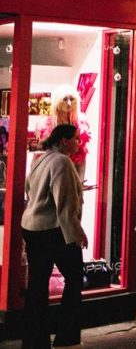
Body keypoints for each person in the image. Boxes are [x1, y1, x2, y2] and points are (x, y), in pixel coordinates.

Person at [21, 123, 86, 349]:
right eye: (75, 138)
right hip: (53, 230)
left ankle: (34, 339)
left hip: (32, 226)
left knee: (37, 284)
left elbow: (31, 190)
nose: (79, 142)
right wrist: (77, 234)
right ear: (63, 141)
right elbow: (64, 205)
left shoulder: (41, 159)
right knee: (76, 276)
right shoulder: (62, 161)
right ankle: (67, 334)